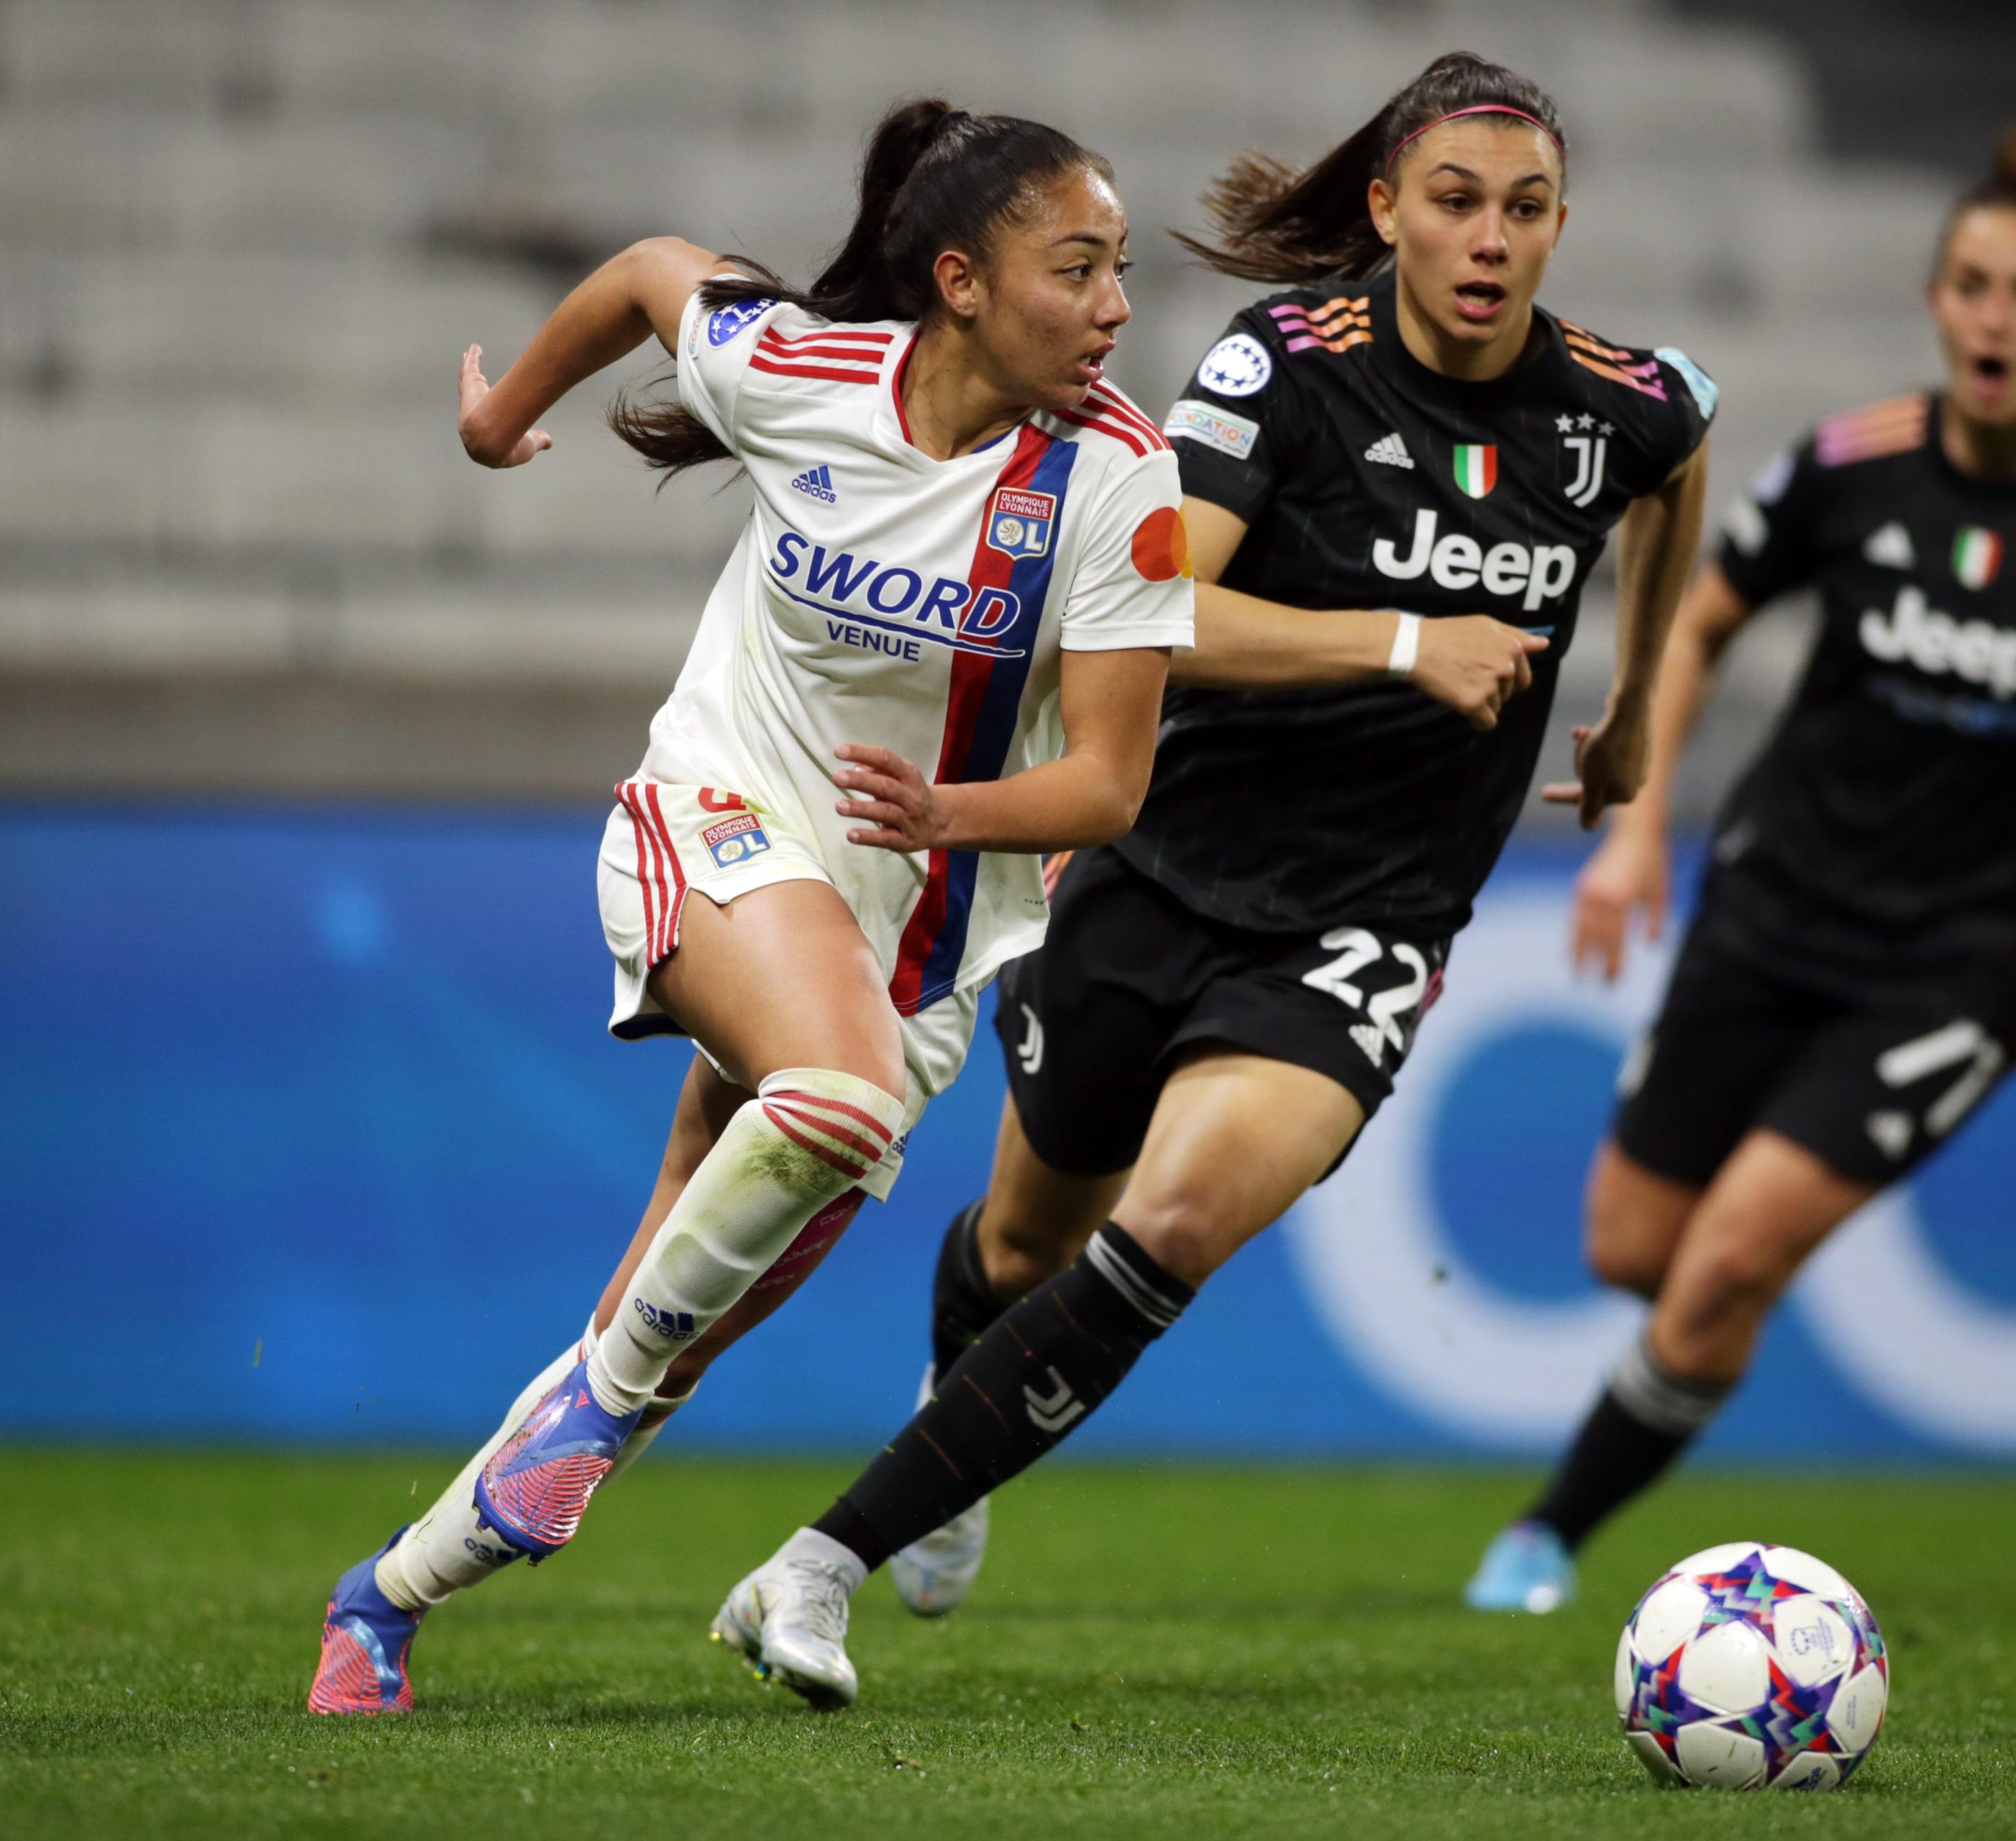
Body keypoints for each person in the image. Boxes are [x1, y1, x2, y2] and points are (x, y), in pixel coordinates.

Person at [707, 52, 1715, 1711]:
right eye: (1454, 202)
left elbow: (1680, 466)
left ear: (1557, 227)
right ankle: (958, 1398)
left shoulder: (1619, 401)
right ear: (1385, 209)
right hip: (1158, 868)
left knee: (1168, 1229)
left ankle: (817, 1564)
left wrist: (1638, 721)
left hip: (1369, 922)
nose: (1490, 240)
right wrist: (1404, 640)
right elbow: (1160, 615)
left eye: (1526, 210)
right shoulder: (1283, 365)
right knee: (1029, 1239)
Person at [306, 99, 1196, 1714]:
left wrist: (955, 811)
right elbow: (653, 273)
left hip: (915, 930)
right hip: (720, 813)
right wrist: (500, 414)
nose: (1119, 308)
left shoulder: (1119, 481)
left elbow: (1118, 784)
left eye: (1122, 269)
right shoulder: (799, 375)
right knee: (836, 1100)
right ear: (963, 282)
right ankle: (579, 1425)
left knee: (660, 1326)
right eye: (1080, 269)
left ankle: (380, 1600)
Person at [1463, 106, 2016, 1613]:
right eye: (1973, 286)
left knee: (1730, 1256)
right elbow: (1700, 620)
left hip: (1967, 958)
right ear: (1941, 302)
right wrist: (1635, 831)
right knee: (1634, 1246)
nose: (1996, 318)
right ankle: (1719, 1303)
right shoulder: (1848, 467)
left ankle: (1546, 1529)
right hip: (1776, 899)